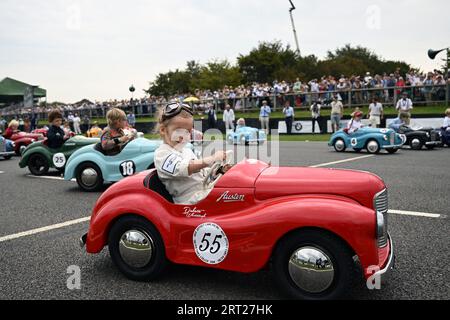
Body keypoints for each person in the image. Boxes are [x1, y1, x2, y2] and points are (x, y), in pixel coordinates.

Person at [154, 102, 231, 205]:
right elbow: (184, 168)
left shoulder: (186, 151)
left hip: (203, 191)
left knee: (236, 185)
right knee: (234, 195)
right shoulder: (162, 154)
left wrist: (218, 171)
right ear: (163, 130)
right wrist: (212, 158)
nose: (184, 136)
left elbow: (202, 174)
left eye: (188, 132)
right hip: (189, 200)